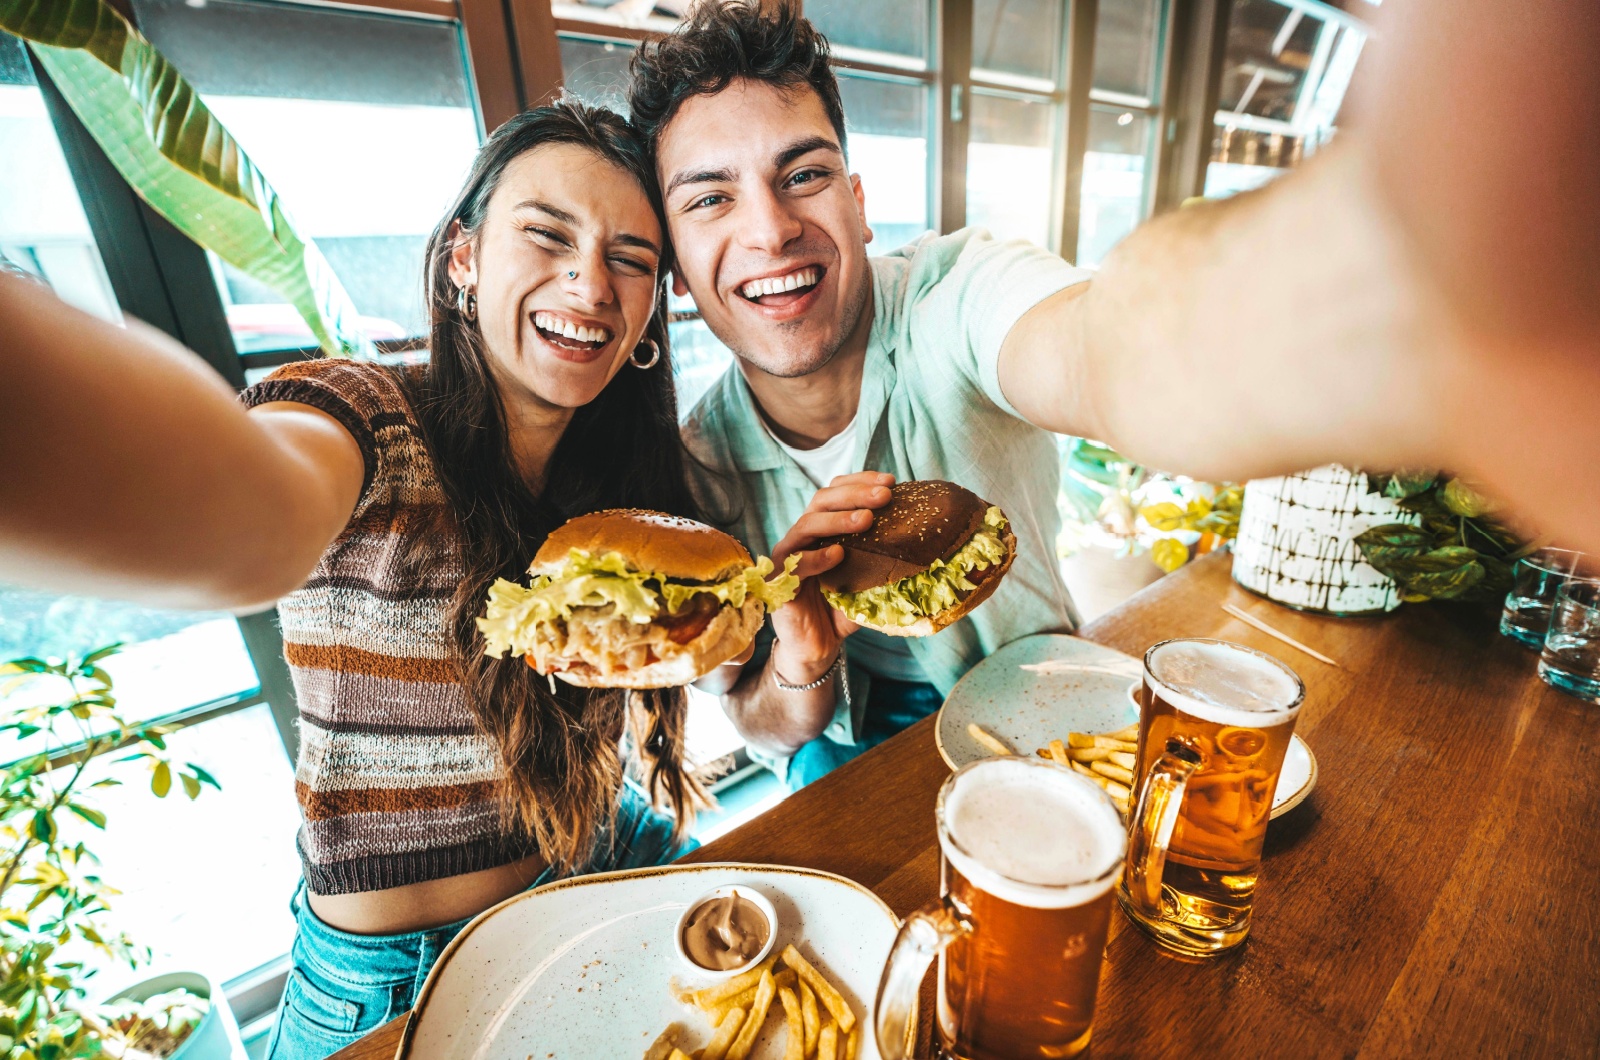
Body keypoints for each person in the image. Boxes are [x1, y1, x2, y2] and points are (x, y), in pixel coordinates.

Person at [625, 1, 1600, 786]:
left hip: (1036, 708)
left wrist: (1434, 265)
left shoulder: (958, 292)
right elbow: (750, 709)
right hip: (835, 753)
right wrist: (800, 652)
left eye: (803, 173)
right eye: (710, 197)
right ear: (671, 264)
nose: (768, 228)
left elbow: (1108, 350)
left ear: (859, 200)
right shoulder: (696, 466)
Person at [2, 100, 706, 1060]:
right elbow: (257, 518)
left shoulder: (618, 485)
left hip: (599, 857)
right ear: (463, 257)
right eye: (547, 235)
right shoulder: (364, 413)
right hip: (401, 977)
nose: (590, 283)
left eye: (631, 258)